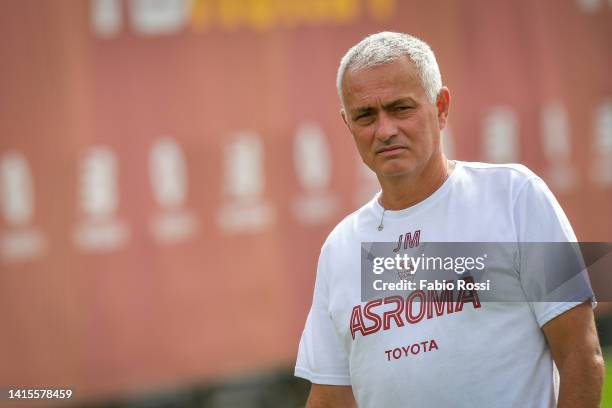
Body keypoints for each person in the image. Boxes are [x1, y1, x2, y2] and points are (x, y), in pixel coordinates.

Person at [294, 32, 604, 407]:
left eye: (401, 108)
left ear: (441, 107)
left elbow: (581, 355)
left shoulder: (516, 196)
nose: (385, 130)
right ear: (348, 125)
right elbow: (330, 398)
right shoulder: (340, 248)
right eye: (366, 115)